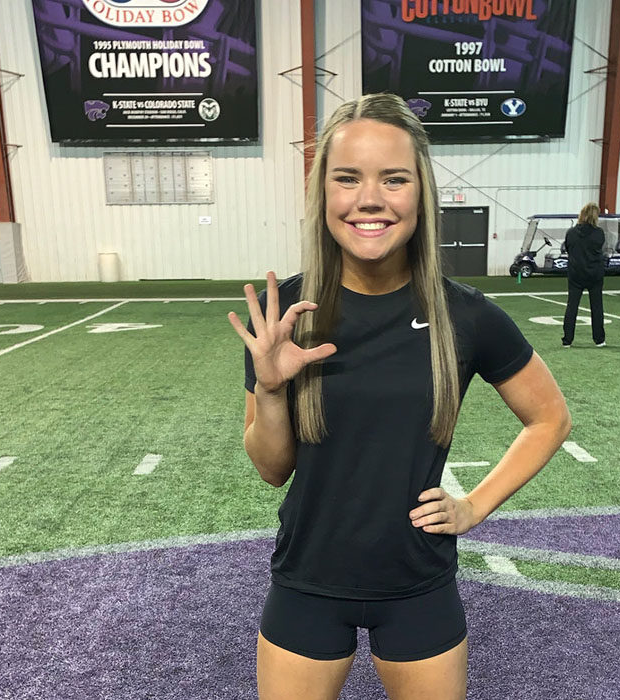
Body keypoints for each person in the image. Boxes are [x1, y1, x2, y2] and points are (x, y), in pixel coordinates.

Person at [227, 93, 571, 700]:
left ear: (421, 193)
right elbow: (270, 469)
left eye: (393, 179)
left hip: (418, 584)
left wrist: (474, 507)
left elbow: (549, 418)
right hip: (307, 581)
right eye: (348, 178)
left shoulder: (466, 315)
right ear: (323, 195)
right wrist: (273, 390)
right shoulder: (288, 316)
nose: (369, 199)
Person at [561, 202, 606, 347]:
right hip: (594, 274)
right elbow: (599, 247)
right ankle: (599, 339)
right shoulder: (599, 233)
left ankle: (567, 339)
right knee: (597, 307)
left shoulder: (571, 233)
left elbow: (568, 248)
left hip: (576, 273)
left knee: (572, 306)